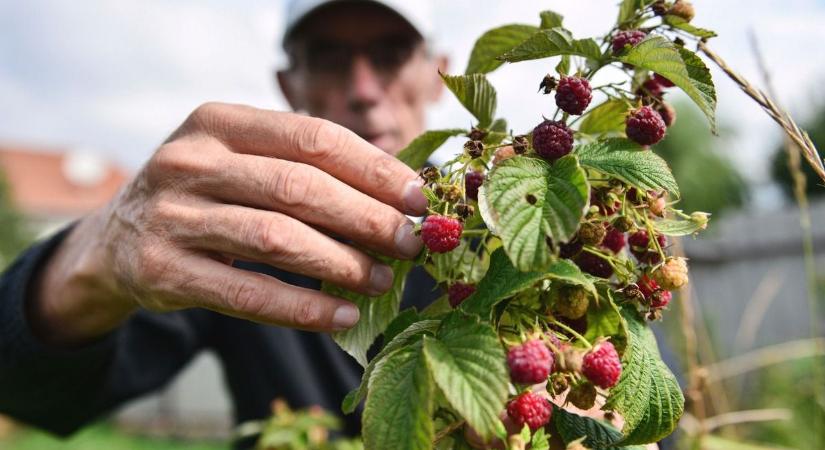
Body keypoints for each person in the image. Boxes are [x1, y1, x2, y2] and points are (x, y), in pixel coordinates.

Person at [0, 0, 447, 447]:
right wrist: (103, 252)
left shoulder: (496, 232)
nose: (363, 89)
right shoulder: (237, 234)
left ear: (438, 74)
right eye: (327, 57)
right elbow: (24, 387)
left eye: (391, 54)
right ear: (288, 86)